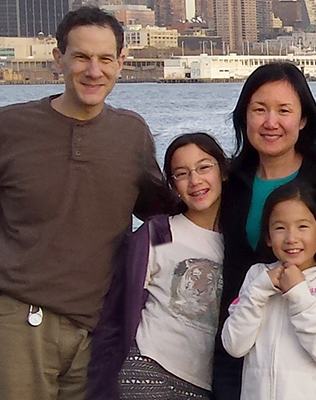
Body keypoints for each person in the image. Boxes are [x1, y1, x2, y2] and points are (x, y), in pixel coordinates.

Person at [0, 7, 173, 400]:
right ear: (59, 58)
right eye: (81, 57)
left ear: (120, 63)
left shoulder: (132, 134)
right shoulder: (10, 126)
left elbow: (161, 219)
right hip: (16, 324)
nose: (93, 71)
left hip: (99, 330)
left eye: (105, 59)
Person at [214, 62, 316, 400]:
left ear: (303, 119)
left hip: (311, 363)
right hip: (241, 345)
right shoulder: (229, 184)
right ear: (244, 117)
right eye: (259, 109)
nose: (270, 122)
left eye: (284, 110)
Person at [87, 133, 228, 400]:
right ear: (173, 185)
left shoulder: (238, 241)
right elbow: (119, 307)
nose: (195, 181)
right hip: (148, 367)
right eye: (182, 173)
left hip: (205, 382)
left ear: (223, 171)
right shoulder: (162, 233)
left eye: (204, 167)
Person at [222, 182, 316, 400]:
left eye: (302, 227)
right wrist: (259, 291)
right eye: (280, 228)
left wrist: (299, 293)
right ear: (268, 237)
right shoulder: (257, 277)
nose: (291, 238)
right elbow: (234, 345)